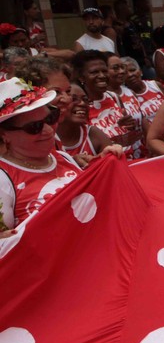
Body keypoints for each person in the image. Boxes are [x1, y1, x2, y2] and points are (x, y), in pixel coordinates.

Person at [0, 78, 120, 234]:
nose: (49, 130)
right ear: (4, 135)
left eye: (51, 119)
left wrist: (106, 165)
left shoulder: (65, 158)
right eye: (34, 127)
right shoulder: (3, 180)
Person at [74, 50, 141, 158]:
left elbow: (126, 129)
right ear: (81, 77)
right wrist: (118, 140)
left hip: (129, 158)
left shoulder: (113, 96)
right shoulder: (81, 106)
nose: (102, 76)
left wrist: (128, 126)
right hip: (104, 163)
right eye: (94, 72)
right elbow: (85, 144)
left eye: (104, 71)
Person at [58, 84, 119, 166]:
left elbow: (115, 167)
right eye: (74, 99)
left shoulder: (92, 134)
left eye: (85, 99)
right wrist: (72, 162)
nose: (82, 103)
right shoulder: (47, 138)